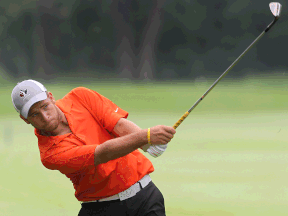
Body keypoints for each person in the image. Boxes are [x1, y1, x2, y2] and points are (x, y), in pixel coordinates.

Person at [11, 79, 176, 216]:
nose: (45, 117)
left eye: (44, 106)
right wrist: (145, 136)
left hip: (146, 196)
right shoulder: (50, 155)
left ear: (51, 97)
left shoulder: (80, 96)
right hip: (102, 209)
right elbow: (102, 153)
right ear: (25, 120)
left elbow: (117, 124)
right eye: (34, 114)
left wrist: (148, 145)